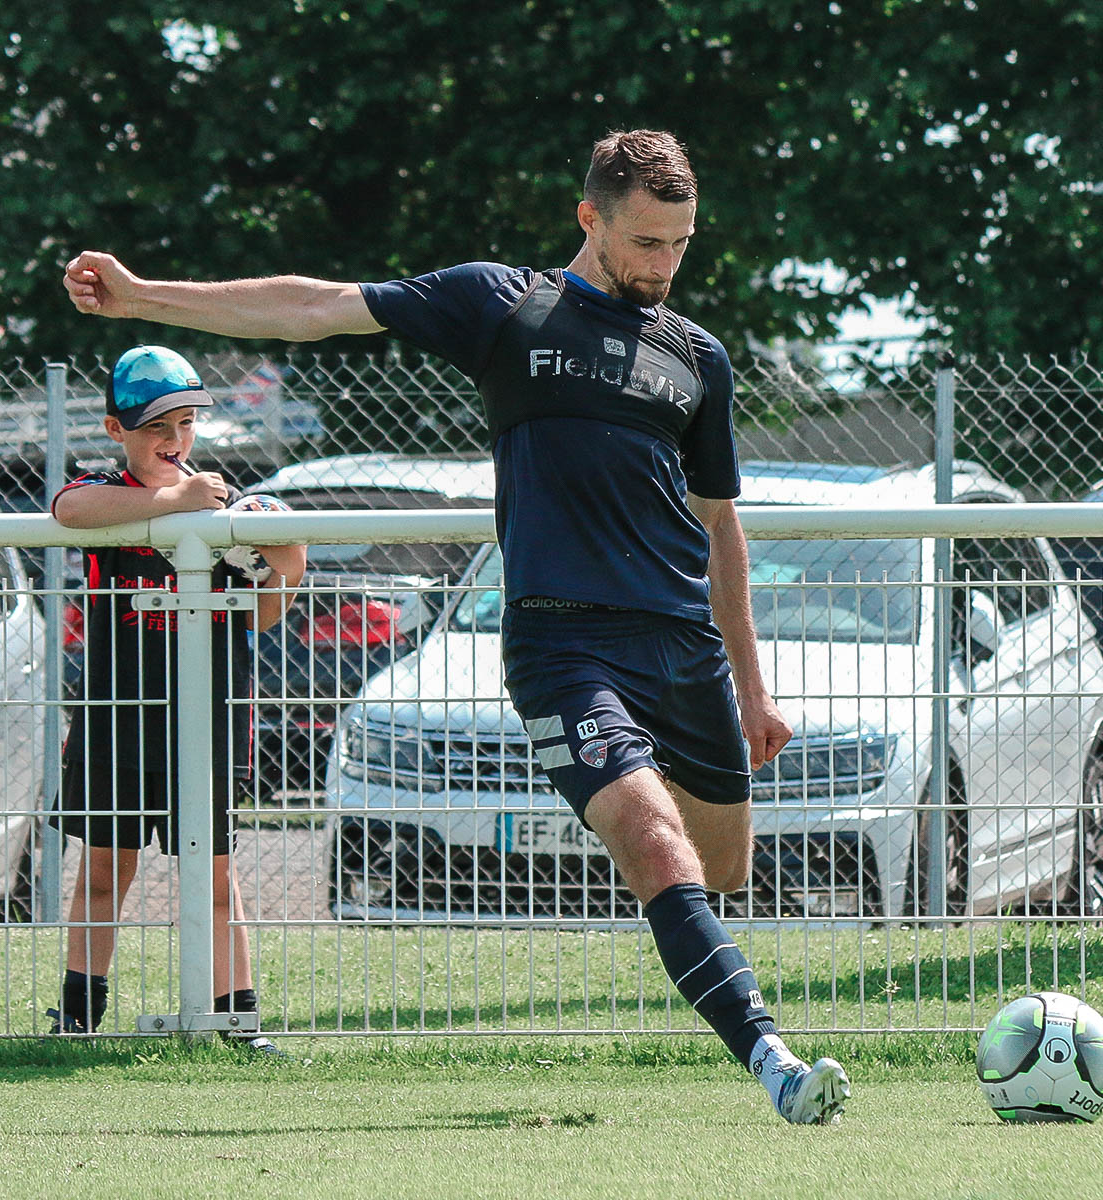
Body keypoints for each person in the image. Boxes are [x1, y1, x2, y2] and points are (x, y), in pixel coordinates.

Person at [61, 130, 849, 1122]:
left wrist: (752, 686)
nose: (662, 265)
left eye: (678, 245)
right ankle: (772, 1060)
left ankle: (708, 958)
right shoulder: (503, 306)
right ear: (589, 218)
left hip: (680, 644)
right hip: (562, 643)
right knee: (651, 841)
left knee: (715, 865)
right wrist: (144, 296)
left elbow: (720, 527)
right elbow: (317, 305)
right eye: (645, 241)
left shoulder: (697, 356)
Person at [48, 345, 308, 1054]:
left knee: (215, 878)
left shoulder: (230, 507)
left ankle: (238, 1024)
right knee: (104, 870)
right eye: (155, 425)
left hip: (209, 720)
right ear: (115, 428)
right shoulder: (109, 492)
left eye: (186, 422)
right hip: (118, 720)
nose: (173, 439)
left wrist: (286, 560)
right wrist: (173, 502)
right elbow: (70, 507)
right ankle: (75, 1020)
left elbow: (262, 611)